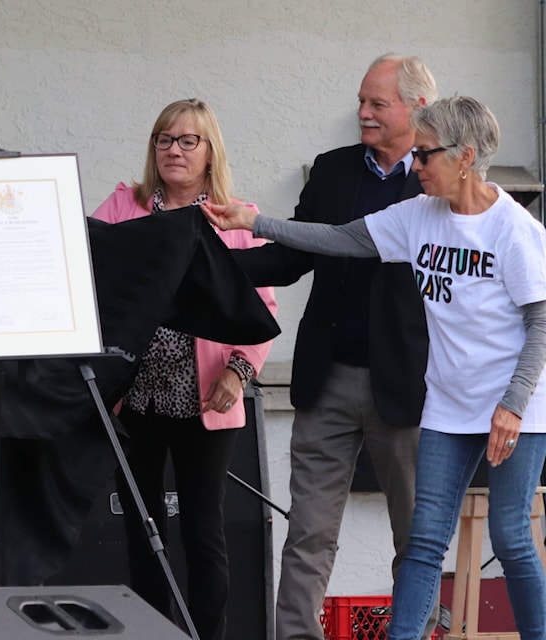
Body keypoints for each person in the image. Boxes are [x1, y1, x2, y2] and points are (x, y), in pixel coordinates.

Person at [203, 95, 546, 640]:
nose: (415, 166)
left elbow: (541, 325)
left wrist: (513, 404)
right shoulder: (418, 216)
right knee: (427, 539)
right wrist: (256, 221)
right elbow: (339, 238)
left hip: (516, 402)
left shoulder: (515, 231)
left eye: (426, 155)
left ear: (465, 156)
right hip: (448, 403)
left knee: (510, 536)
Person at [226, 54, 438, 640]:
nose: (363, 113)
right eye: (362, 102)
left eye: (377, 103)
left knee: (417, 537)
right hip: (329, 378)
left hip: (411, 387)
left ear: (416, 108)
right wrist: (220, 266)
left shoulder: (437, 180)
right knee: (309, 533)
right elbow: (294, 256)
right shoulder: (333, 168)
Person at [91, 98, 277, 640]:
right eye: (164, 139)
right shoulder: (124, 208)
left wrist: (238, 372)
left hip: (206, 398)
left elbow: (262, 307)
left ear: (209, 151)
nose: (174, 150)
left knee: (203, 532)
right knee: (143, 532)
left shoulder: (235, 217)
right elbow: (91, 274)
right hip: (135, 397)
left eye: (187, 140)